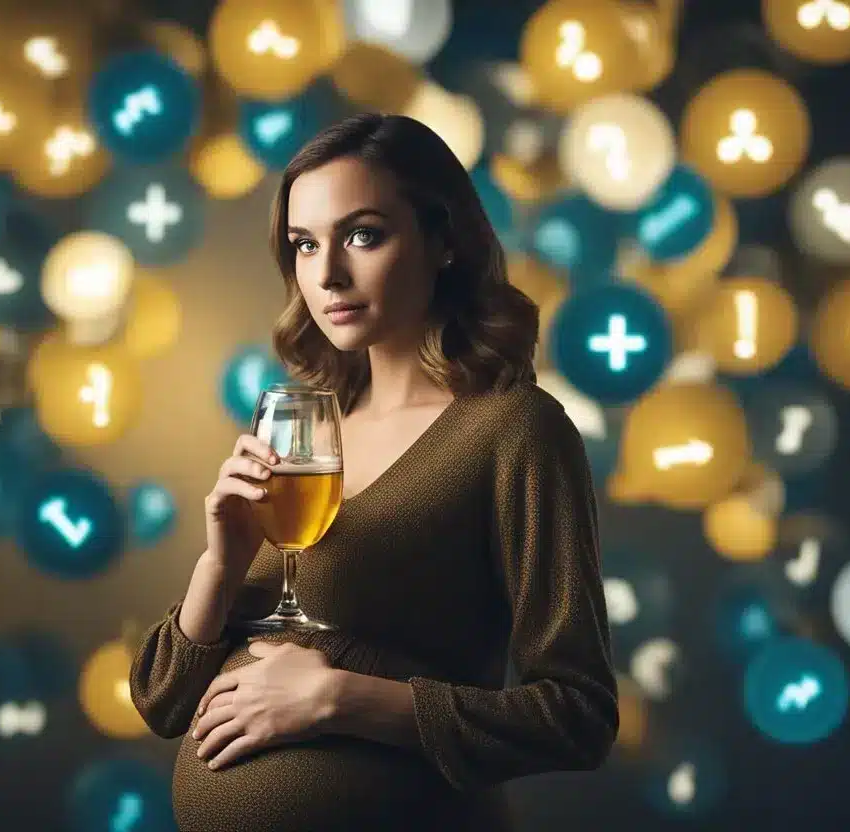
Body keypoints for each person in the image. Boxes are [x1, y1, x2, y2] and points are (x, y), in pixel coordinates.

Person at [130, 113, 618, 831]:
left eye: (362, 235)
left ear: (444, 240)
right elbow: (161, 700)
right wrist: (222, 565)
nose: (326, 275)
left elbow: (579, 715)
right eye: (304, 244)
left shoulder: (514, 429)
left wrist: (341, 699)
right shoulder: (304, 436)